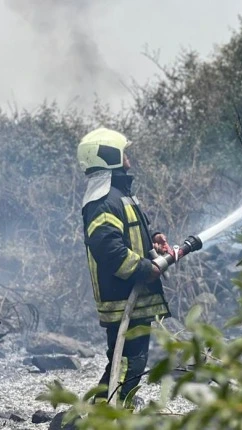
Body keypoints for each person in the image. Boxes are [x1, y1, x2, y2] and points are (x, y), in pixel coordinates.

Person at [77, 126, 172, 407]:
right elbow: (109, 250)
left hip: (133, 298)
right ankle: (107, 416)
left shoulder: (119, 195)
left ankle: (98, 415)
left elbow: (124, 238)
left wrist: (152, 242)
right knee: (127, 363)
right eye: (123, 151)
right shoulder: (103, 201)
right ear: (110, 155)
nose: (128, 156)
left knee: (126, 361)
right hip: (121, 300)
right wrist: (146, 268)